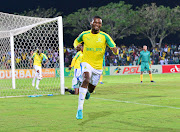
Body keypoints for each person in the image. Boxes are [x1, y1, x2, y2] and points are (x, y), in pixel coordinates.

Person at [73, 16, 119, 119]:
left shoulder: (105, 36)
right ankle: (80, 109)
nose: (97, 25)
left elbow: (113, 46)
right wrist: (77, 46)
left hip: (98, 66)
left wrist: (115, 50)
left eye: (99, 23)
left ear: (101, 25)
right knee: (86, 79)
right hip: (86, 62)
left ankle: (88, 92)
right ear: (91, 23)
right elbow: (76, 41)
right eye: (95, 22)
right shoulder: (84, 34)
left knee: (92, 88)